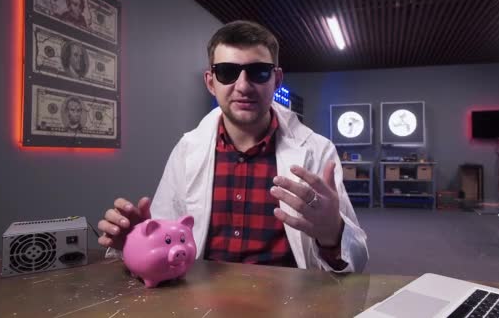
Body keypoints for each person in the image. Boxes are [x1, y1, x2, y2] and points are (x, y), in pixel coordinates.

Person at [98, 21, 368, 272]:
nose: (243, 86)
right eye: (227, 72)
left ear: (276, 79)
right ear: (210, 83)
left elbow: (357, 259)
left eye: (258, 72)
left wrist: (333, 234)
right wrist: (134, 241)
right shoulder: (187, 149)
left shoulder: (318, 151)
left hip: (290, 303)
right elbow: (161, 241)